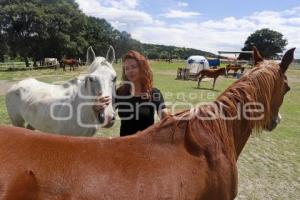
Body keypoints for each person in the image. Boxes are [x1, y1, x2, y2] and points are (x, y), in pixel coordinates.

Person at [94, 50, 168, 136]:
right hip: (124, 145)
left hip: (146, 145)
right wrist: (98, 110)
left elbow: (165, 119)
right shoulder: (119, 93)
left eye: (133, 66)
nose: (130, 71)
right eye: (127, 68)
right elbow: (107, 124)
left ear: (142, 68)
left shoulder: (154, 93)